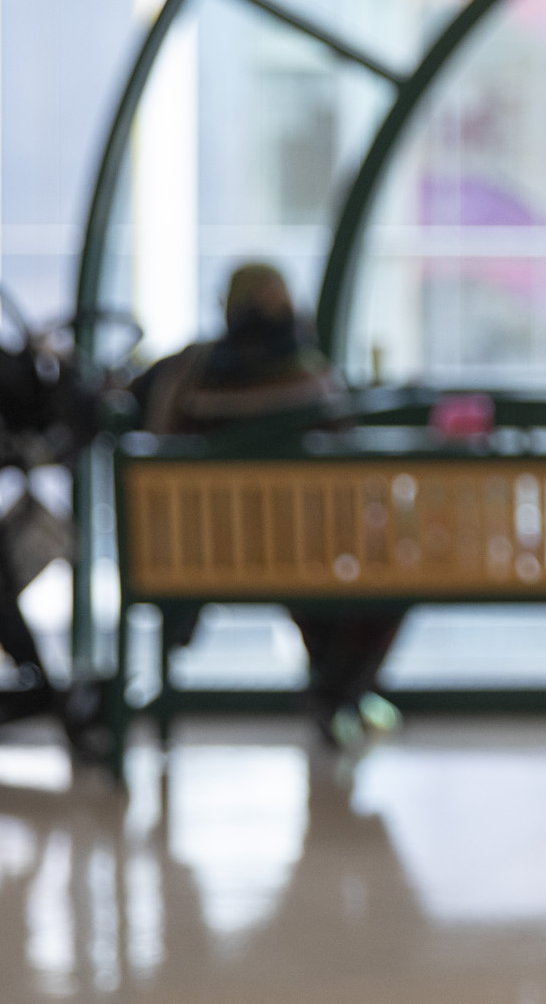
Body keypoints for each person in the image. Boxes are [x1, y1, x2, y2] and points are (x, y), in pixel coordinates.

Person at [139, 262, 397, 749]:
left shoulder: (186, 374)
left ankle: (333, 693)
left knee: (309, 559)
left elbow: (148, 425)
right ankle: (335, 692)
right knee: (377, 570)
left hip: (194, 555)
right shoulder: (312, 379)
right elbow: (349, 465)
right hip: (302, 555)